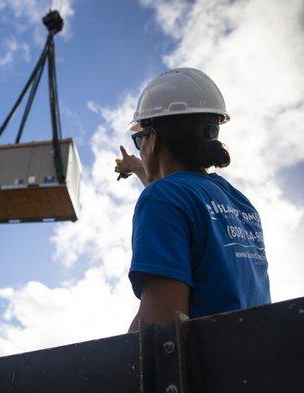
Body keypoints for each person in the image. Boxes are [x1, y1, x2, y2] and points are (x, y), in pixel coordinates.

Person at [115, 68, 271, 332]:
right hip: (252, 359)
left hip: (206, 368)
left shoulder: (162, 198)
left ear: (153, 138)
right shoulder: (240, 204)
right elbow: (181, 197)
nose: (139, 148)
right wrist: (138, 166)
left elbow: (161, 329)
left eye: (138, 139)